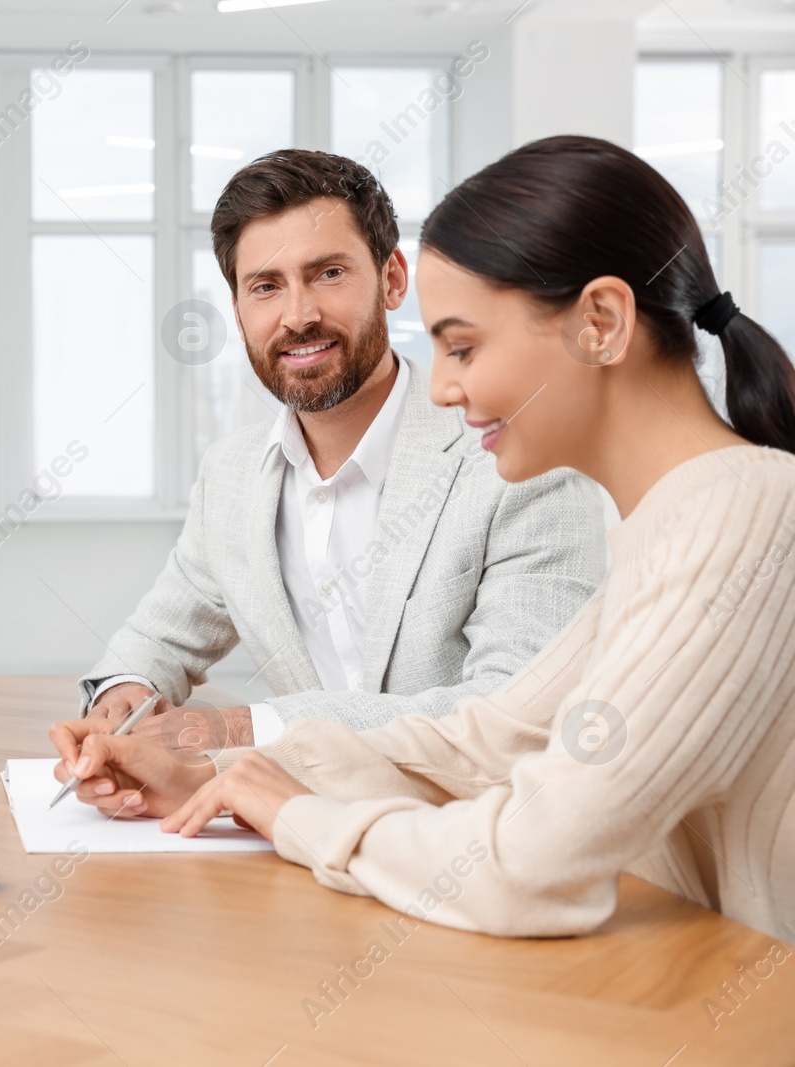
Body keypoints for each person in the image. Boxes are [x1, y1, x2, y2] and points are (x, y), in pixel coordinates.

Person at [52, 134, 795, 940]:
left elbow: (529, 864)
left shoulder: (743, 517)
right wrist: (213, 771)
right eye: (264, 284)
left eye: (464, 346)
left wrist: (295, 810)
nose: (441, 385)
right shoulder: (681, 522)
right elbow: (494, 734)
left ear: (602, 323)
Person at [81, 149, 604, 751]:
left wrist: (246, 728)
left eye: (329, 273)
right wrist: (121, 697)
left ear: (392, 279)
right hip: (295, 825)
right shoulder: (230, 476)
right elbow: (158, 638)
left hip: (474, 828)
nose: (298, 317)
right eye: (266, 286)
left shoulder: (523, 461)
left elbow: (521, 711)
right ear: (239, 310)